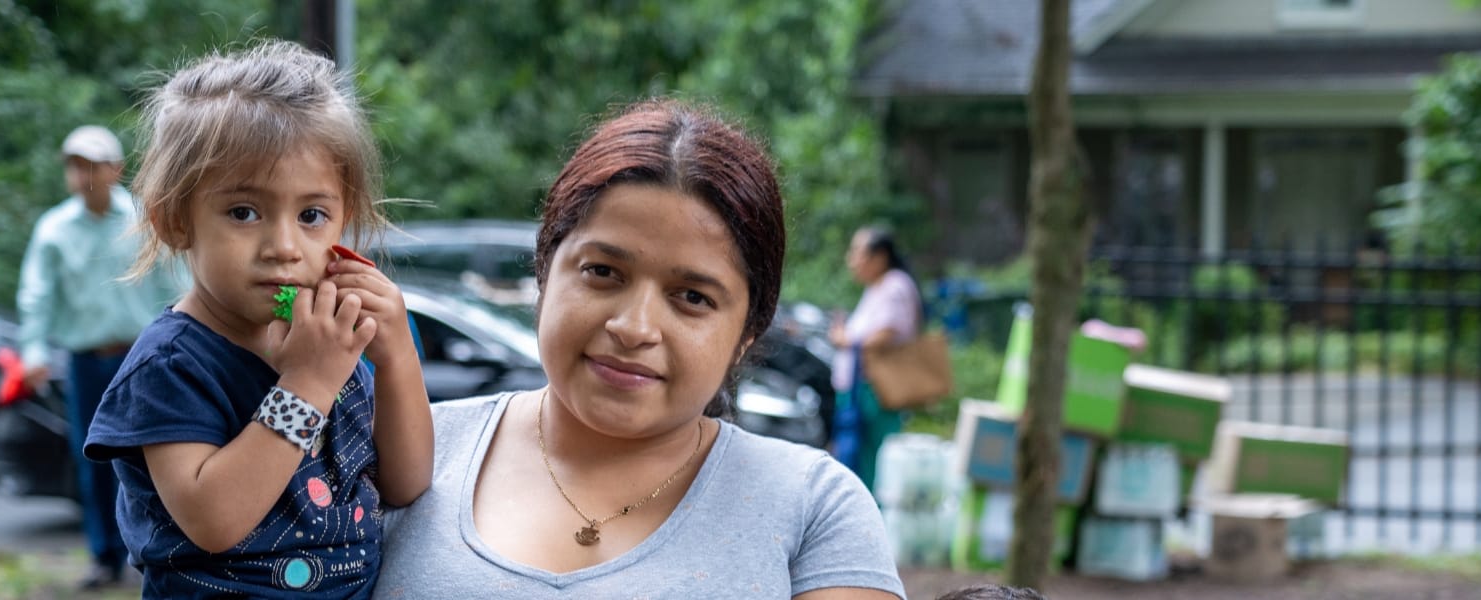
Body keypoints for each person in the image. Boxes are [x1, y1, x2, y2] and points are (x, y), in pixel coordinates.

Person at [374, 99, 905, 599]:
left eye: (692, 297)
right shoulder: (400, 455)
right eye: (603, 272)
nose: (634, 327)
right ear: (544, 275)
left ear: (746, 334)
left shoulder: (815, 508)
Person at [82, 41, 433, 598]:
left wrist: (395, 359)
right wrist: (308, 384)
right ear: (175, 220)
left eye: (312, 215)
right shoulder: (169, 366)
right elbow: (215, 521)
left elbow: (405, 484)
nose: (285, 246)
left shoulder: (328, 343)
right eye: (244, 212)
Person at [16, 122, 183, 589]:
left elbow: (174, 281)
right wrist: (33, 349)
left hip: (143, 355)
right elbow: (38, 295)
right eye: (74, 164)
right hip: (87, 359)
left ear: (116, 169)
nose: (81, 173)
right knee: (92, 459)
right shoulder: (53, 230)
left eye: (91, 164)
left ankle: (156, 549)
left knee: (159, 454)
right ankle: (102, 555)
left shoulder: (141, 218)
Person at [828, 226, 923, 488]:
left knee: (871, 460)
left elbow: (887, 334)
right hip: (863, 388)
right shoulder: (878, 287)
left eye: (857, 252)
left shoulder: (894, 287)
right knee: (860, 457)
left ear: (879, 257)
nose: (852, 259)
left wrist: (844, 339)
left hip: (875, 391)